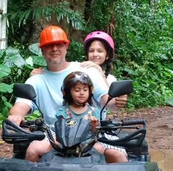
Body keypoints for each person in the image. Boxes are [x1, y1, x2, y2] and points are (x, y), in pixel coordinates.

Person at [8, 26, 114, 162]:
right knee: (33, 150)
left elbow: (109, 102)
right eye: (49, 46)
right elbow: (21, 104)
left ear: (66, 47)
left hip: (92, 131)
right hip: (53, 133)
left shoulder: (86, 70)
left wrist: (118, 98)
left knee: (116, 153)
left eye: (59, 45)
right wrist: (16, 115)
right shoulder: (36, 79)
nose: (54, 49)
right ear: (42, 50)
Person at [25, 72, 128, 163]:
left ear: (90, 91)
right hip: (63, 141)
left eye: (85, 89)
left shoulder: (94, 111)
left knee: (111, 152)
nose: (82, 93)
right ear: (68, 92)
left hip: (89, 142)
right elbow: (59, 127)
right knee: (34, 148)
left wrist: (94, 125)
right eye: (77, 90)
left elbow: (95, 132)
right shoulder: (63, 111)